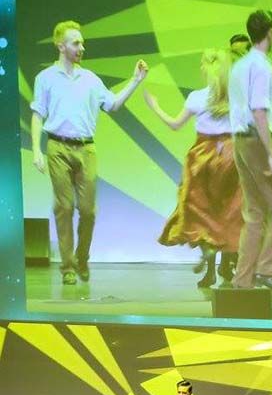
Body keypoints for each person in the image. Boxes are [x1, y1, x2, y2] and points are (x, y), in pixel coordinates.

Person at [30, 20, 148, 285]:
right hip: (58, 147)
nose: (81, 47)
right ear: (61, 46)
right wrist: (36, 149)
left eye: (82, 43)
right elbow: (38, 114)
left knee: (88, 210)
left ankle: (82, 257)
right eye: (76, 43)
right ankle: (68, 267)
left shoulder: (91, 79)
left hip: (86, 148)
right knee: (64, 207)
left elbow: (113, 105)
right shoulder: (45, 78)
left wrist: (135, 81)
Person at [144, 48, 240, 287]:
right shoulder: (235, 96)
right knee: (229, 211)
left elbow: (175, 124)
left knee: (202, 211)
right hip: (231, 156)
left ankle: (210, 266)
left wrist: (155, 107)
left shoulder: (197, 97)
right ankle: (225, 265)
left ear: (205, 68)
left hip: (203, 157)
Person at [228, 10, 272, 294]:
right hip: (256, 142)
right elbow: (258, 111)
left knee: (255, 214)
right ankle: (266, 270)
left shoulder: (239, 66)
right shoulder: (261, 66)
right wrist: (270, 153)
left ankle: (243, 280)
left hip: (240, 142)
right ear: (270, 33)